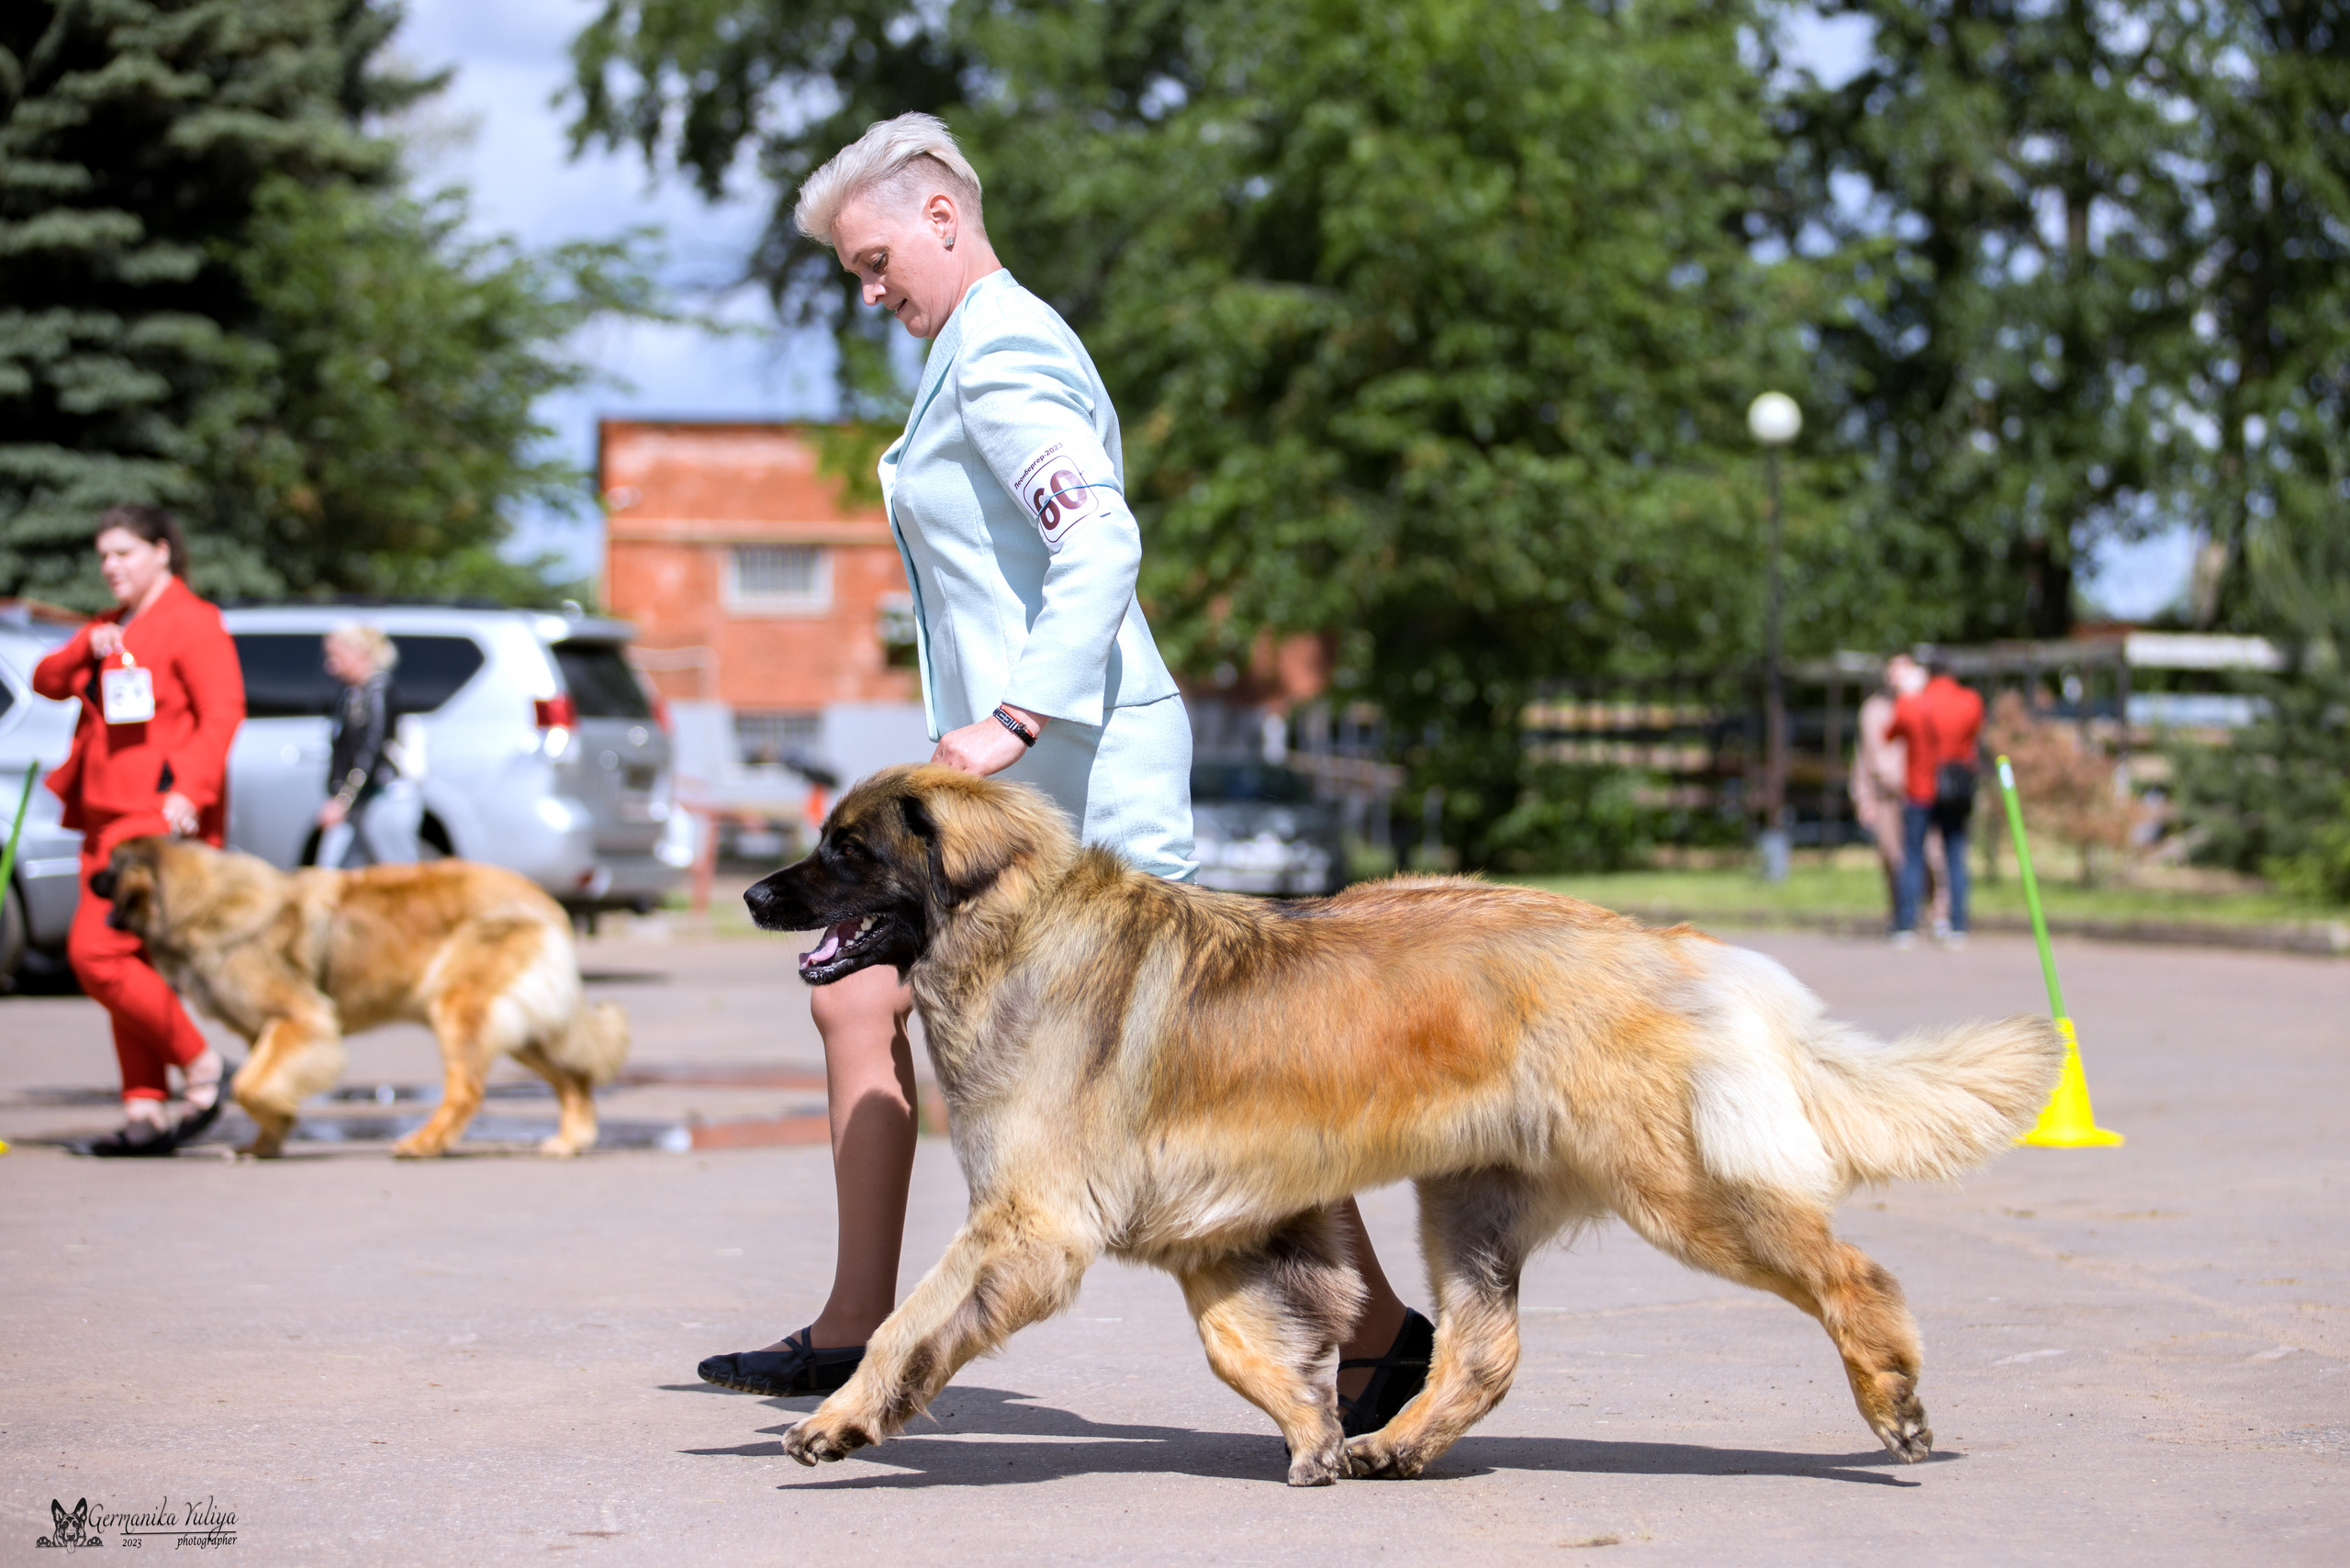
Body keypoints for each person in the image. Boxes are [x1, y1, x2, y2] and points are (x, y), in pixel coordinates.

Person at [695, 113, 1433, 1433]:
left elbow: (1099, 542)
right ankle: (857, 1326)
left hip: (1079, 792)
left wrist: (1011, 718)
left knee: (1206, 1077)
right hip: (1017, 802)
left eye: (875, 262)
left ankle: (1378, 1332)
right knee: (856, 1000)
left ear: (940, 216)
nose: (871, 294)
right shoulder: (973, 351)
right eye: (853, 275)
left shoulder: (1007, 347)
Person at [32, 505, 245, 1155]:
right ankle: (145, 1111)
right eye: (104, 556)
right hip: (102, 817)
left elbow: (223, 712)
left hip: (154, 824)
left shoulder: (193, 621)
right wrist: (83, 646)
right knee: (132, 967)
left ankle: (204, 1064)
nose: (110, 567)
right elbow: (47, 682)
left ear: (162, 552)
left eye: (123, 553)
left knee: (96, 955)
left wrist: (192, 792)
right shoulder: (109, 627)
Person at [1887, 655, 1984, 949]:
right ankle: (1958, 925)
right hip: (1955, 789)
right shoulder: (1970, 700)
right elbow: (1975, 733)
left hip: (1919, 789)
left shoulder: (1913, 702)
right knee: (1955, 855)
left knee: (1913, 856)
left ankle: (1906, 925)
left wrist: (1907, 693)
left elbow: (1890, 733)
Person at [1852, 653, 1947, 936]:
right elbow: (1863, 759)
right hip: (1885, 795)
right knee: (1893, 857)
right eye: (1892, 669)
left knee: (1932, 855)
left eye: (1903, 670)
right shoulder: (1872, 710)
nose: (1896, 676)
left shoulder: (1925, 704)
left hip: (1920, 793)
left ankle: (1938, 912)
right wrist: (1863, 798)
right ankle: (1902, 916)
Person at [313, 621, 420, 868]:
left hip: (384, 795)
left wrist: (343, 799)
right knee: (334, 868)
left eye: (335, 656)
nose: (330, 665)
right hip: (360, 800)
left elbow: (371, 750)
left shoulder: (378, 690)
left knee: (396, 872)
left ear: (360, 653)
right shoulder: (351, 693)